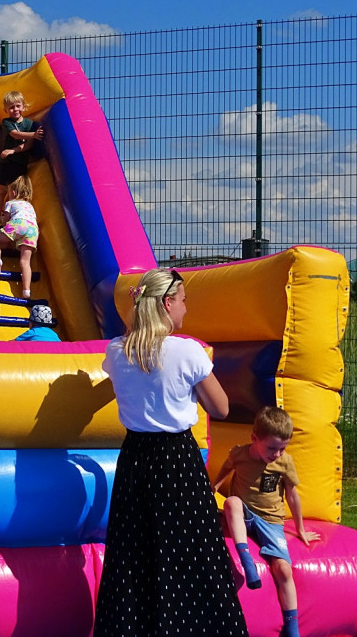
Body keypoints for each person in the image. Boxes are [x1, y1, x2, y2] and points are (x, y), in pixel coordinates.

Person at [94, 268, 247, 637]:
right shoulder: (186, 351)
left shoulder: (117, 351)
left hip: (135, 459)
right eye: (182, 302)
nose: (184, 310)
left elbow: (122, 386)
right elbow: (222, 408)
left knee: (135, 551)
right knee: (190, 550)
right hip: (176, 460)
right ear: (166, 303)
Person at [211, 406, 319, 637]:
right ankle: (246, 559)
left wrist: (299, 528)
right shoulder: (239, 453)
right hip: (244, 514)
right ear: (254, 438)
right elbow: (226, 468)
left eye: (282, 448)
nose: (276, 454)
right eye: (272, 448)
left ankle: (292, 627)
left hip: (270, 520)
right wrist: (215, 487)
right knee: (232, 503)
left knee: (284, 570)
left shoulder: (284, 462)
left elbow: (291, 495)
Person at [0, 90, 43, 222]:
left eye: (17, 106)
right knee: (1, 189)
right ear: (6, 110)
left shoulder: (29, 124)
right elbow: (15, 134)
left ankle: (10, 216)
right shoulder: (6, 122)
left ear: (23, 106)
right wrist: (33, 134)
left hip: (19, 162)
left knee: (13, 190)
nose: (15, 109)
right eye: (11, 107)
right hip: (6, 162)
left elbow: (28, 145)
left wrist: (13, 150)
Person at [0, 175, 39, 299]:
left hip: (18, 224)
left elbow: (6, 221)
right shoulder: (30, 206)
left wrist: (1, 220)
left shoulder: (10, 203)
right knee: (25, 262)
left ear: (13, 192)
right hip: (33, 229)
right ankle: (26, 290)